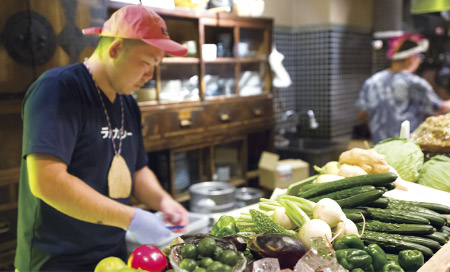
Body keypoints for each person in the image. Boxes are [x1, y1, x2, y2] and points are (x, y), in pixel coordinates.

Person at [15, 5, 189, 271]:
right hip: (56, 260)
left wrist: (164, 201)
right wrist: (133, 218)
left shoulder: (127, 104)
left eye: (157, 65)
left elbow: (138, 170)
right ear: (115, 49)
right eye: (146, 62)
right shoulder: (59, 88)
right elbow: (47, 182)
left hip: (113, 256)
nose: (150, 76)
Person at [356, 33, 450, 144]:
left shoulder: (372, 81)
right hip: (407, 149)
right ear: (411, 58)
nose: (419, 60)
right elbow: (438, 108)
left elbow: (362, 113)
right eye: (418, 56)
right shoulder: (414, 83)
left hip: (379, 147)